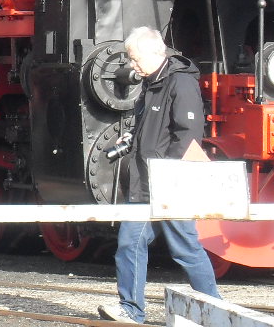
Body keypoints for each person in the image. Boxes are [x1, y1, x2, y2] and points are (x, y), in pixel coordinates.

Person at [97, 26, 220, 324]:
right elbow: (149, 131)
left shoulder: (180, 84)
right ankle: (130, 309)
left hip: (170, 184)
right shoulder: (152, 83)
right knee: (129, 243)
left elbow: (189, 136)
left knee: (185, 249)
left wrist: (170, 175)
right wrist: (130, 139)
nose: (132, 66)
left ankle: (216, 311)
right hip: (143, 183)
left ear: (156, 52)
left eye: (136, 59)